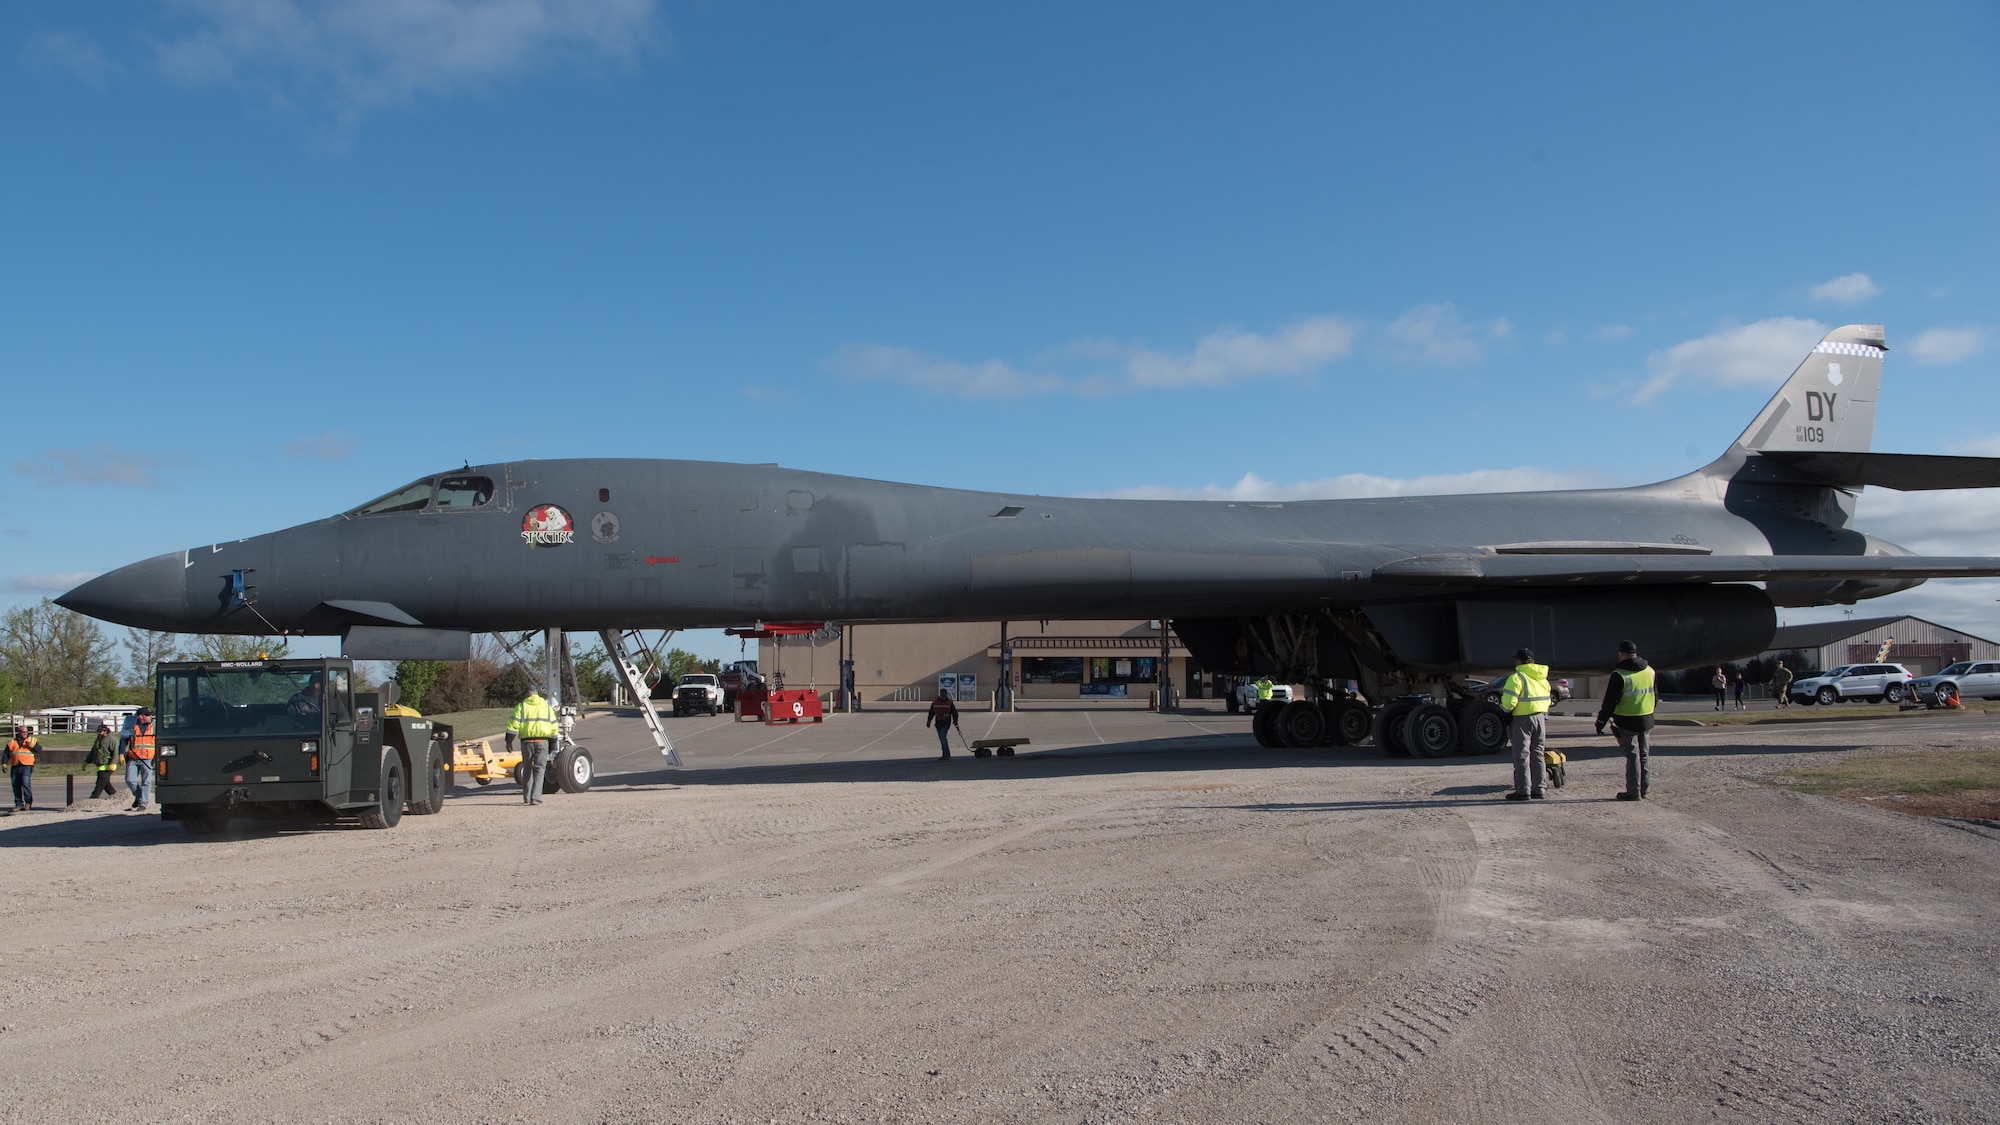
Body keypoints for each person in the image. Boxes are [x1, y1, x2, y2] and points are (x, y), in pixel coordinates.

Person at [1595, 640, 1657, 801]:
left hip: (1626, 721)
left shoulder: (1619, 674)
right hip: (1646, 718)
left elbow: (1609, 702)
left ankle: (1633, 791)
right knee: (1644, 755)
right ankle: (1645, 789)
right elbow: (1655, 695)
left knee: (1632, 755)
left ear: (1622, 653)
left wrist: (1601, 722)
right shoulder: (1650, 671)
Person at [1498, 648, 1552, 800]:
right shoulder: (1542, 678)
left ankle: (1523, 791)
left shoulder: (1517, 677)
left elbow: (1509, 702)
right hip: (1540, 718)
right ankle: (1539, 789)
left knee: (1522, 754)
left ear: (1519, 661)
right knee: (1538, 754)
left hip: (1522, 720)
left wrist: (1505, 713)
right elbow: (1548, 698)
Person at [509, 687, 559, 805]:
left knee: (527, 768)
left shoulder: (521, 706)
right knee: (540, 769)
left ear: (528, 693)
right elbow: (553, 726)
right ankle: (535, 798)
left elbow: (513, 725)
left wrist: (509, 741)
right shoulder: (547, 707)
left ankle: (526, 797)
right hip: (542, 742)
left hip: (526, 742)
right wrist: (553, 743)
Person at [124, 708, 157, 812]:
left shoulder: (154, 726)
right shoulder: (132, 725)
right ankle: (138, 796)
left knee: (146, 782)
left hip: (148, 759)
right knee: (130, 780)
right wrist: (121, 753)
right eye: (147, 715)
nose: (150, 717)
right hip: (133, 757)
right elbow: (124, 739)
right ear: (140, 716)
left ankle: (143, 803)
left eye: (149, 715)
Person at [7, 722, 38, 812]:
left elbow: (39, 750)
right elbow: (6, 753)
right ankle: (18, 804)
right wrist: (4, 763)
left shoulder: (31, 740)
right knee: (15, 785)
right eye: (23, 732)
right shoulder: (12, 742)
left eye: (26, 732)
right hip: (15, 765)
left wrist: (33, 746)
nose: (25, 733)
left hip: (26, 766)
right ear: (18, 732)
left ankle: (28, 802)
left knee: (25, 784)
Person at [86, 721, 120, 799]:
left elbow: (115, 752)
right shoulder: (98, 740)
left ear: (105, 731)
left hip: (108, 765)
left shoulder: (112, 740)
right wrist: (86, 761)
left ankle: (93, 799)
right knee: (106, 784)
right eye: (98, 732)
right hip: (100, 765)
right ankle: (116, 797)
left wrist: (113, 763)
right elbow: (93, 751)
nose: (99, 733)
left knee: (100, 783)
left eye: (100, 732)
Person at [925, 689, 959, 759]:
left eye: (944, 693)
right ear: (940, 693)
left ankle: (946, 754)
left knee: (943, 737)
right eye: (942, 693)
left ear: (946, 694)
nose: (943, 695)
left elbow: (954, 713)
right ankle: (945, 753)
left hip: (946, 723)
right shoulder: (935, 702)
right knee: (941, 738)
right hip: (938, 723)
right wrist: (929, 721)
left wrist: (955, 721)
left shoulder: (949, 702)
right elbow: (931, 712)